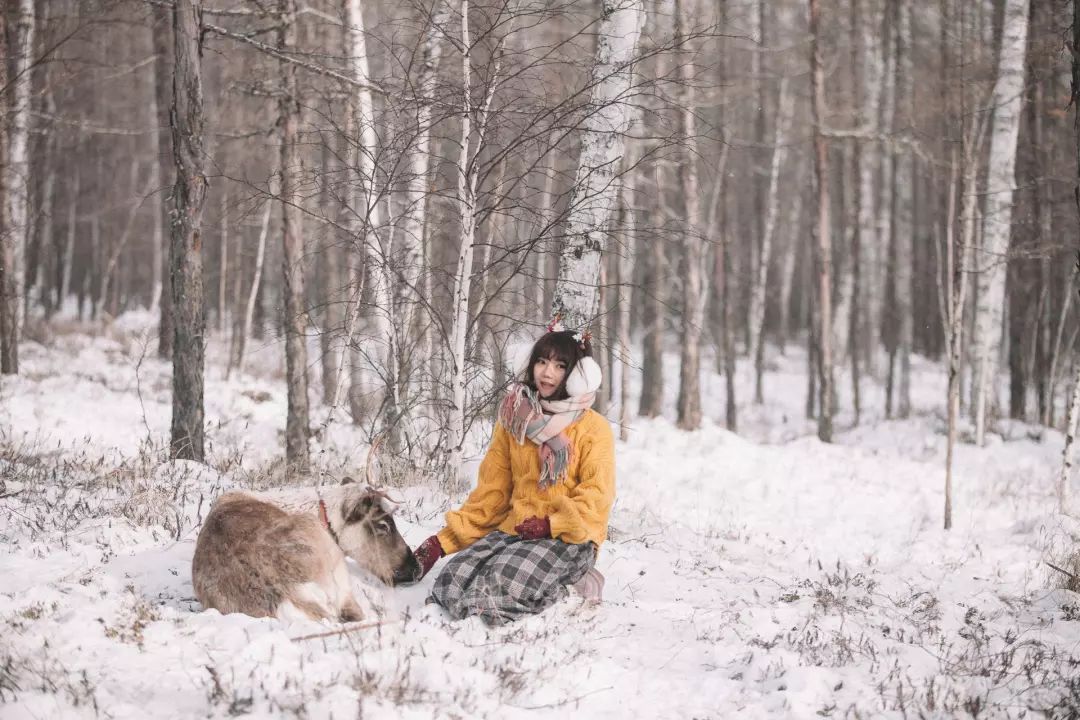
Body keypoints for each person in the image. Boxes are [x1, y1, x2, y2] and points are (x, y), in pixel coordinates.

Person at [412, 327, 615, 625]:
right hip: (515, 531)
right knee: (450, 585)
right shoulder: (514, 419)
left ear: (577, 375)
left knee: (495, 593)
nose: (547, 372)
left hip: (569, 538)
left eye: (560, 366)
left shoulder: (593, 427)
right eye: (542, 362)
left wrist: (551, 524)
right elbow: (491, 495)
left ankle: (571, 588)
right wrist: (442, 542)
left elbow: (597, 497)